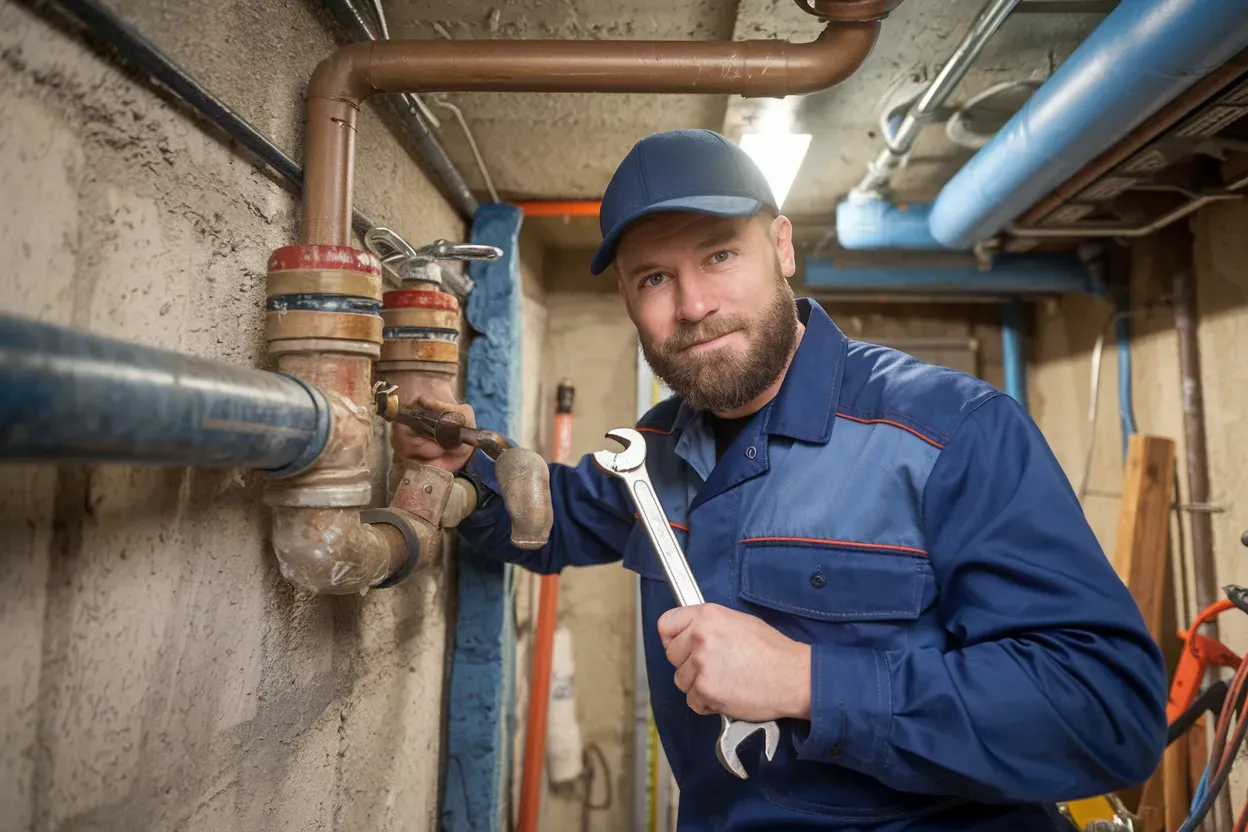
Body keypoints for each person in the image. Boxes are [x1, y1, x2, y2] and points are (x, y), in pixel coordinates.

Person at [395, 129, 1168, 831]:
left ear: (782, 247)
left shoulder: (952, 432)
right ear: (628, 298)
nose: (694, 304)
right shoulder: (657, 448)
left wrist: (807, 680)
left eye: (720, 255)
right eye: (654, 278)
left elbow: (1107, 711)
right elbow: (555, 519)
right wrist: (466, 473)